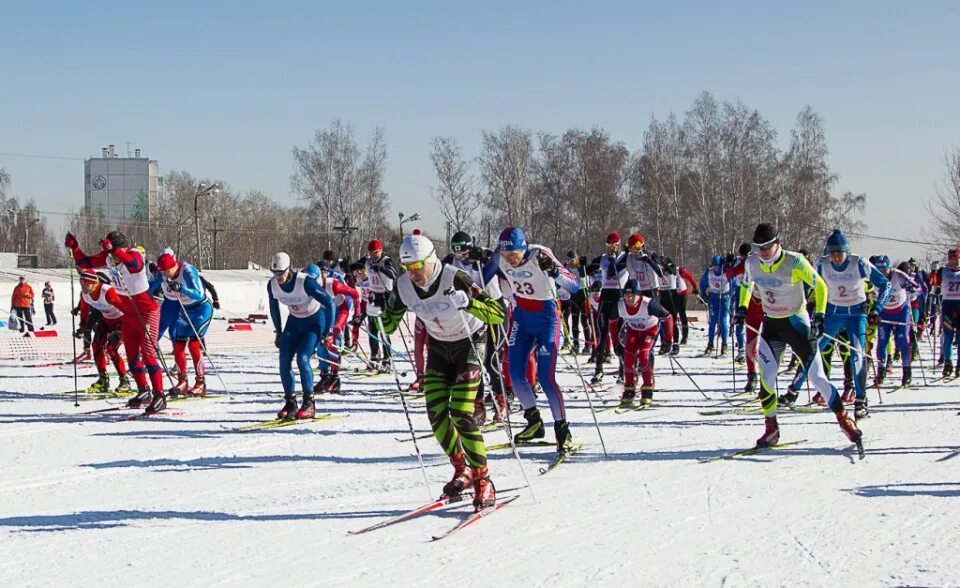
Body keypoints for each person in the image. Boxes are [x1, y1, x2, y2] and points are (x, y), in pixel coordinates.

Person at [380, 233, 505, 510]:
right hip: (439, 348)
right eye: (407, 268)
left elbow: (497, 313)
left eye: (417, 267)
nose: (413, 274)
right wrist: (377, 312)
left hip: (469, 343)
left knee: (461, 412)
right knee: (436, 414)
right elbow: (389, 326)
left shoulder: (455, 277)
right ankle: (463, 470)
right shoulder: (403, 286)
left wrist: (470, 303)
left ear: (431, 260)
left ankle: (484, 480)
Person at [734, 223, 862, 448]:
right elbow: (746, 285)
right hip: (771, 325)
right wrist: (742, 307)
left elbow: (820, 287)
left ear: (777, 244)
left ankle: (844, 420)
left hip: (796, 324)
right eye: (759, 247)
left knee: (817, 378)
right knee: (767, 376)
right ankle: (771, 429)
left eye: (767, 246)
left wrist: (820, 315)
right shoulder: (752, 262)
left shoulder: (795, 261)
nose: (763, 252)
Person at [483, 226, 580, 454]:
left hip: (547, 318)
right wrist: (475, 261)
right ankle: (534, 421)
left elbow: (573, 285)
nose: (510, 261)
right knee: (514, 371)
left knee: (546, 377)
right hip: (522, 316)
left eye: (513, 256)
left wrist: (555, 272)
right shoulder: (500, 256)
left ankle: (562, 429)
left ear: (523, 249)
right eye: (506, 257)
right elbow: (481, 277)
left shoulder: (540, 254)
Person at [66, 230, 167, 413]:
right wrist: (75, 247)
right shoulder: (109, 257)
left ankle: (160, 395)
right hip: (129, 314)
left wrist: (116, 252)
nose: (113, 259)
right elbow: (84, 263)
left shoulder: (132, 253)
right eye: (111, 255)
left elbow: (135, 266)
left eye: (114, 254)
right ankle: (144, 391)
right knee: (132, 356)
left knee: (148, 355)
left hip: (147, 312)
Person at [814, 229, 891, 419]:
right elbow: (807, 284)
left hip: (856, 314)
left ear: (846, 252)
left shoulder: (859, 263)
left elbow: (885, 284)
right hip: (832, 313)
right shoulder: (822, 264)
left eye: (839, 253)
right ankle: (796, 391)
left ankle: (860, 399)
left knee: (857, 355)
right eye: (832, 253)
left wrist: (877, 308)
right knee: (813, 351)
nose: (836, 258)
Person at [445, 231, 508, 423]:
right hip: (471, 313)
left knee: (491, 359)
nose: (461, 257)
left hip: (492, 309)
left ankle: (502, 400)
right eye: (457, 253)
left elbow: (503, 268)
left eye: (464, 252)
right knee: (474, 361)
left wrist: (485, 259)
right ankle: (478, 404)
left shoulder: (484, 255)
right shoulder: (450, 261)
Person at [268, 252, 335, 420]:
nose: (278, 277)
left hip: (314, 322)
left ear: (288, 269)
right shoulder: (272, 285)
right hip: (295, 322)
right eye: (275, 273)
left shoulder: (304, 281)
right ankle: (290, 402)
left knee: (302, 358)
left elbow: (330, 303)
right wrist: (278, 331)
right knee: (284, 360)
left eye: (281, 273)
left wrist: (329, 332)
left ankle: (309, 403)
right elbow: (274, 308)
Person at [153, 252, 214, 397]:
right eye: (163, 272)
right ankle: (182, 381)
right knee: (178, 345)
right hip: (185, 311)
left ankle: (200, 383)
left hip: (201, 309)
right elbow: (151, 286)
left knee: (193, 345)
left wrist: (180, 288)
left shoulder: (187, 270)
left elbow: (198, 294)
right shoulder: (164, 274)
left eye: (167, 271)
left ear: (173, 266)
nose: (165, 275)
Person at [618, 279, 674, 406]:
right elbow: (613, 322)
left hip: (650, 330)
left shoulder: (648, 304)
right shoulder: (621, 305)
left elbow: (668, 317)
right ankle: (629, 388)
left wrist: (668, 340)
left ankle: (648, 388)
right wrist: (616, 342)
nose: (629, 298)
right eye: (627, 295)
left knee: (644, 355)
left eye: (632, 295)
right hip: (633, 331)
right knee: (628, 357)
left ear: (639, 295)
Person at [76, 270, 131, 395]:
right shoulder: (85, 295)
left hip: (122, 321)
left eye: (86, 285)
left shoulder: (107, 292)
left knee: (111, 348)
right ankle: (103, 379)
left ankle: (124, 381)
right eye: (81, 284)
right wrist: (83, 326)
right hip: (106, 321)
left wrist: (131, 326)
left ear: (94, 283)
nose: (83, 288)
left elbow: (126, 309)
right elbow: (84, 311)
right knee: (96, 346)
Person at [871, 255, 919, 387]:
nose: (882, 273)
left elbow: (917, 289)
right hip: (884, 313)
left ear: (889, 268)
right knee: (882, 341)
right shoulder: (873, 277)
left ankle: (907, 371)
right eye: (879, 270)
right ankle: (881, 372)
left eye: (884, 270)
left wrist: (912, 290)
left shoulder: (898, 275)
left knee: (902, 341)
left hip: (901, 312)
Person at [314, 262, 361, 394]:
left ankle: (335, 377)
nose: (317, 280)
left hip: (340, 311)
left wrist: (357, 314)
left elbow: (354, 294)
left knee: (332, 339)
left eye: (321, 275)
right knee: (320, 342)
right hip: (324, 313)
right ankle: (325, 376)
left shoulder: (332, 283)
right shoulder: (309, 286)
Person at [589, 232, 627, 384]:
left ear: (619, 245)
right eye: (609, 246)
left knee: (620, 335)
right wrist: (585, 266)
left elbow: (618, 271)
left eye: (614, 246)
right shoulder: (604, 258)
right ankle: (599, 370)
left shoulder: (626, 256)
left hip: (620, 295)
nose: (612, 249)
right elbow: (606, 270)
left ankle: (624, 370)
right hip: (606, 295)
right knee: (602, 333)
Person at [363, 239, 400, 370]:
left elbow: (394, 274)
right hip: (373, 297)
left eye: (376, 252)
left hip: (386, 297)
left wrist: (381, 268)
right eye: (371, 253)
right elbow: (354, 266)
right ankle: (374, 356)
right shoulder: (368, 261)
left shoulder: (387, 260)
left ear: (381, 250)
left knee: (384, 330)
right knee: (372, 329)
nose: (373, 255)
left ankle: (387, 358)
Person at [934, 248, 960, 377]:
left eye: (955, 258)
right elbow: (934, 285)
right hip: (948, 306)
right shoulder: (942, 271)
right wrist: (936, 288)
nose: (953, 261)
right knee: (948, 337)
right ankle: (948, 363)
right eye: (951, 258)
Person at [700, 255, 730, 355]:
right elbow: (703, 283)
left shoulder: (726, 272)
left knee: (723, 320)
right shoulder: (709, 272)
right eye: (713, 265)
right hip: (714, 297)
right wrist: (703, 294)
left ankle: (724, 344)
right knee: (712, 321)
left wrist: (731, 295)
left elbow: (733, 284)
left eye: (716, 265)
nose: (714, 267)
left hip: (724, 297)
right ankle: (710, 343)